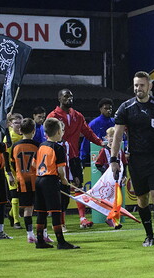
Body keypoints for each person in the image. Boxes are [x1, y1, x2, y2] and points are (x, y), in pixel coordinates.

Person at [109, 71, 154, 248]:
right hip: (136, 159)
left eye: (142, 85)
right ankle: (149, 235)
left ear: (150, 86)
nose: (138, 88)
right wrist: (114, 159)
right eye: (136, 85)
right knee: (142, 199)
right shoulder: (126, 107)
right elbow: (117, 136)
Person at [48, 89, 107, 230]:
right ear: (59, 98)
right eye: (66, 96)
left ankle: (82, 218)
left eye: (71, 96)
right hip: (59, 158)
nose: (69, 99)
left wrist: (101, 142)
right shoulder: (53, 116)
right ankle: (60, 223)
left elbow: (88, 132)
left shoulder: (78, 116)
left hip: (74, 158)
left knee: (78, 186)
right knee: (62, 191)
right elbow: (48, 137)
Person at [34, 117, 83, 250]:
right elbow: (61, 169)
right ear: (57, 133)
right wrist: (64, 180)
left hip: (39, 179)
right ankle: (61, 241)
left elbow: (34, 163)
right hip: (50, 180)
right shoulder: (58, 148)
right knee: (56, 211)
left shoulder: (41, 145)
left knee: (41, 211)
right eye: (61, 130)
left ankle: (39, 240)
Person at [12, 118, 48, 244]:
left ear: (20, 130)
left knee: (27, 209)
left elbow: (12, 163)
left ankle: (30, 235)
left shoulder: (15, 147)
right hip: (36, 181)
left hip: (22, 181)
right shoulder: (37, 146)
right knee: (41, 209)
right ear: (34, 131)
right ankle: (44, 234)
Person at [80, 99, 115, 173]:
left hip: (113, 158)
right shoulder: (93, 124)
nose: (108, 110)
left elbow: (122, 139)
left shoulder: (115, 123)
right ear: (100, 109)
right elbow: (86, 142)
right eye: (106, 108)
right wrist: (82, 159)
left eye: (110, 108)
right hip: (97, 159)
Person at [5, 112, 25, 228]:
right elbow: (5, 157)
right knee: (14, 195)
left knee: (22, 196)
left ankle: (11, 214)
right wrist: (8, 173)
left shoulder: (24, 136)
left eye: (20, 123)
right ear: (10, 124)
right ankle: (17, 221)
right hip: (11, 170)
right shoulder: (8, 138)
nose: (19, 125)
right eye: (16, 123)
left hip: (22, 170)